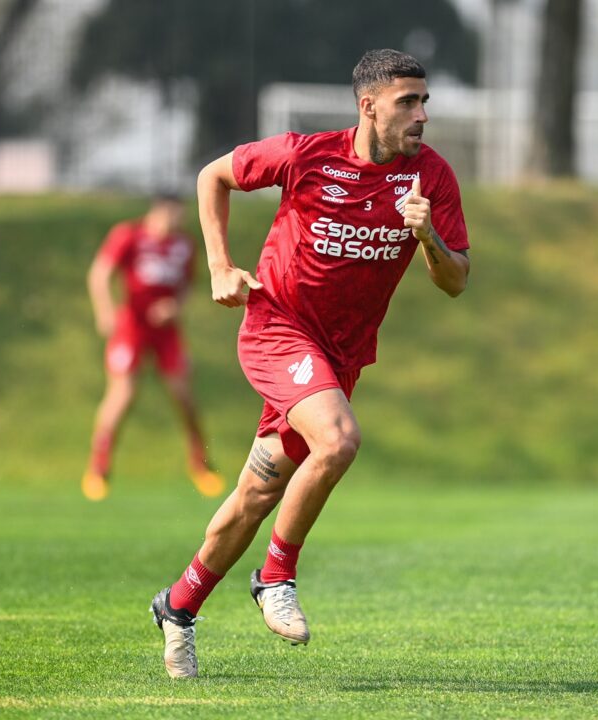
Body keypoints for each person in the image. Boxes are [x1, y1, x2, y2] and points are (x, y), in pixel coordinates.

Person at [149, 49, 471, 678]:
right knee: (340, 439)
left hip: (340, 356)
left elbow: (456, 281)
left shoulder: (431, 178)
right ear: (368, 105)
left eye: (424, 101)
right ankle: (275, 577)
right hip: (278, 331)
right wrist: (218, 264)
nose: (422, 114)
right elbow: (213, 176)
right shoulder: (306, 154)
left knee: (256, 491)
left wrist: (426, 236)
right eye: (408, 101)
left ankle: (178, 606)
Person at [82, 195, 225, 500]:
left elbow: (187, 285)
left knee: (185, 398)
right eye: (173, 216)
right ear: (158, 212)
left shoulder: (184, 245)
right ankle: (98, 468)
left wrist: (175, 306)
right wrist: (105, 311)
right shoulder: (129, 235)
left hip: (167, 333)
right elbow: (100, 273)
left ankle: (201, 466)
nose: (177, 223)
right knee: (122, 395)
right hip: (131, 328)